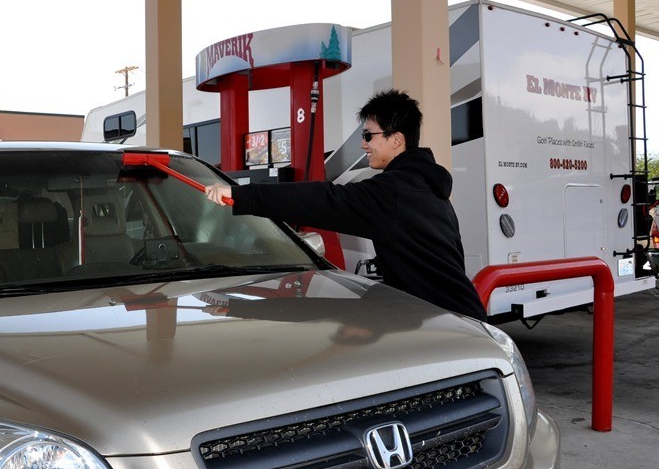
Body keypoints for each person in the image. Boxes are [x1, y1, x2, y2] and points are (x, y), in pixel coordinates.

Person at [204, 88, 487, 321]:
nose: (363, 144)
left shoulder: (393, 192)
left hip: (447, 325)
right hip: (459, 317)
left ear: (396, 139)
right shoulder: (427, 185)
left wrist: (242, 195)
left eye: (368, 135)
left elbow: (325, 200)